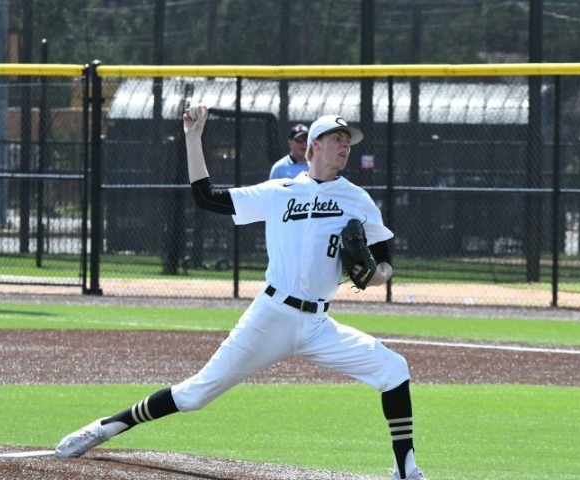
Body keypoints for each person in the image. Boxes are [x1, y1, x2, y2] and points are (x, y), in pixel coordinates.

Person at [55, 109, 426, 480]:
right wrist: (192, 136)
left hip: (318, 324)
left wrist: (377, 275)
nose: (345, 147)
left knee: (393, 369)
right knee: (194, 395)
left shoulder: (356, 199)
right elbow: (206, 197)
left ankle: (405, 469)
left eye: (348, 142)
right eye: (336, 140)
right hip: (270, 316)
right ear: (314, 146)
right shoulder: (279, 192)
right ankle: (106, 426)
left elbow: (385, 262)